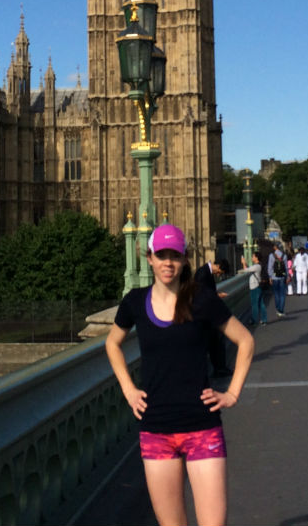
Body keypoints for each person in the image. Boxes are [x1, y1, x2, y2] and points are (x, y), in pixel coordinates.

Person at [105, 224, 255, 526]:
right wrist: (128, 390)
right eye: (161, 255)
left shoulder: (201, 299)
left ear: (185, 258)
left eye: (174, 255)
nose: (168, 263)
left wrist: (232, 393)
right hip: (156, 429)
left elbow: (245, 340)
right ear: (149, 258)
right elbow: (112, 343)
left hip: (202, 427)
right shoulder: (134, 302)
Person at [195, 257, 232, 377]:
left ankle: (219, 368)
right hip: (206, 315)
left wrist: (216, 295)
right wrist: (215, 296)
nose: (219, 275)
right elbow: (201, 293)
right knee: (214, 342)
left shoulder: (206, 272)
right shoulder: (202, 273)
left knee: (216, 342)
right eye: (220, 272)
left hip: (208, 313)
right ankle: (219, 369)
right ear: (218, 267)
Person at [241, 250, 267, 326]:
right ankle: (264, 319)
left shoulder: (257, 266)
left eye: (253, 256)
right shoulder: (258, 266)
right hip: (258, 286)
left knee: (254, 304)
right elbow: (249, 268)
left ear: (256, 257)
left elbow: (246, 270)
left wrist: (243, 263)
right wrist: (245, 263)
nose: (252, 257)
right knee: (260, 303)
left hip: (255, 287)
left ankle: (254, 320)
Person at [268, 245, 289, 316]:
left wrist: (270, 277)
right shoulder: (284, 256)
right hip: (282, 277)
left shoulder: (271, 255)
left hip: (274, 277)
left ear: (275, 247)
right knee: (282, 294)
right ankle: (281, 310)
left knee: (276, 294)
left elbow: (270, 267)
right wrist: (287, 276)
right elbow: (286, 267)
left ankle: (278, 309)